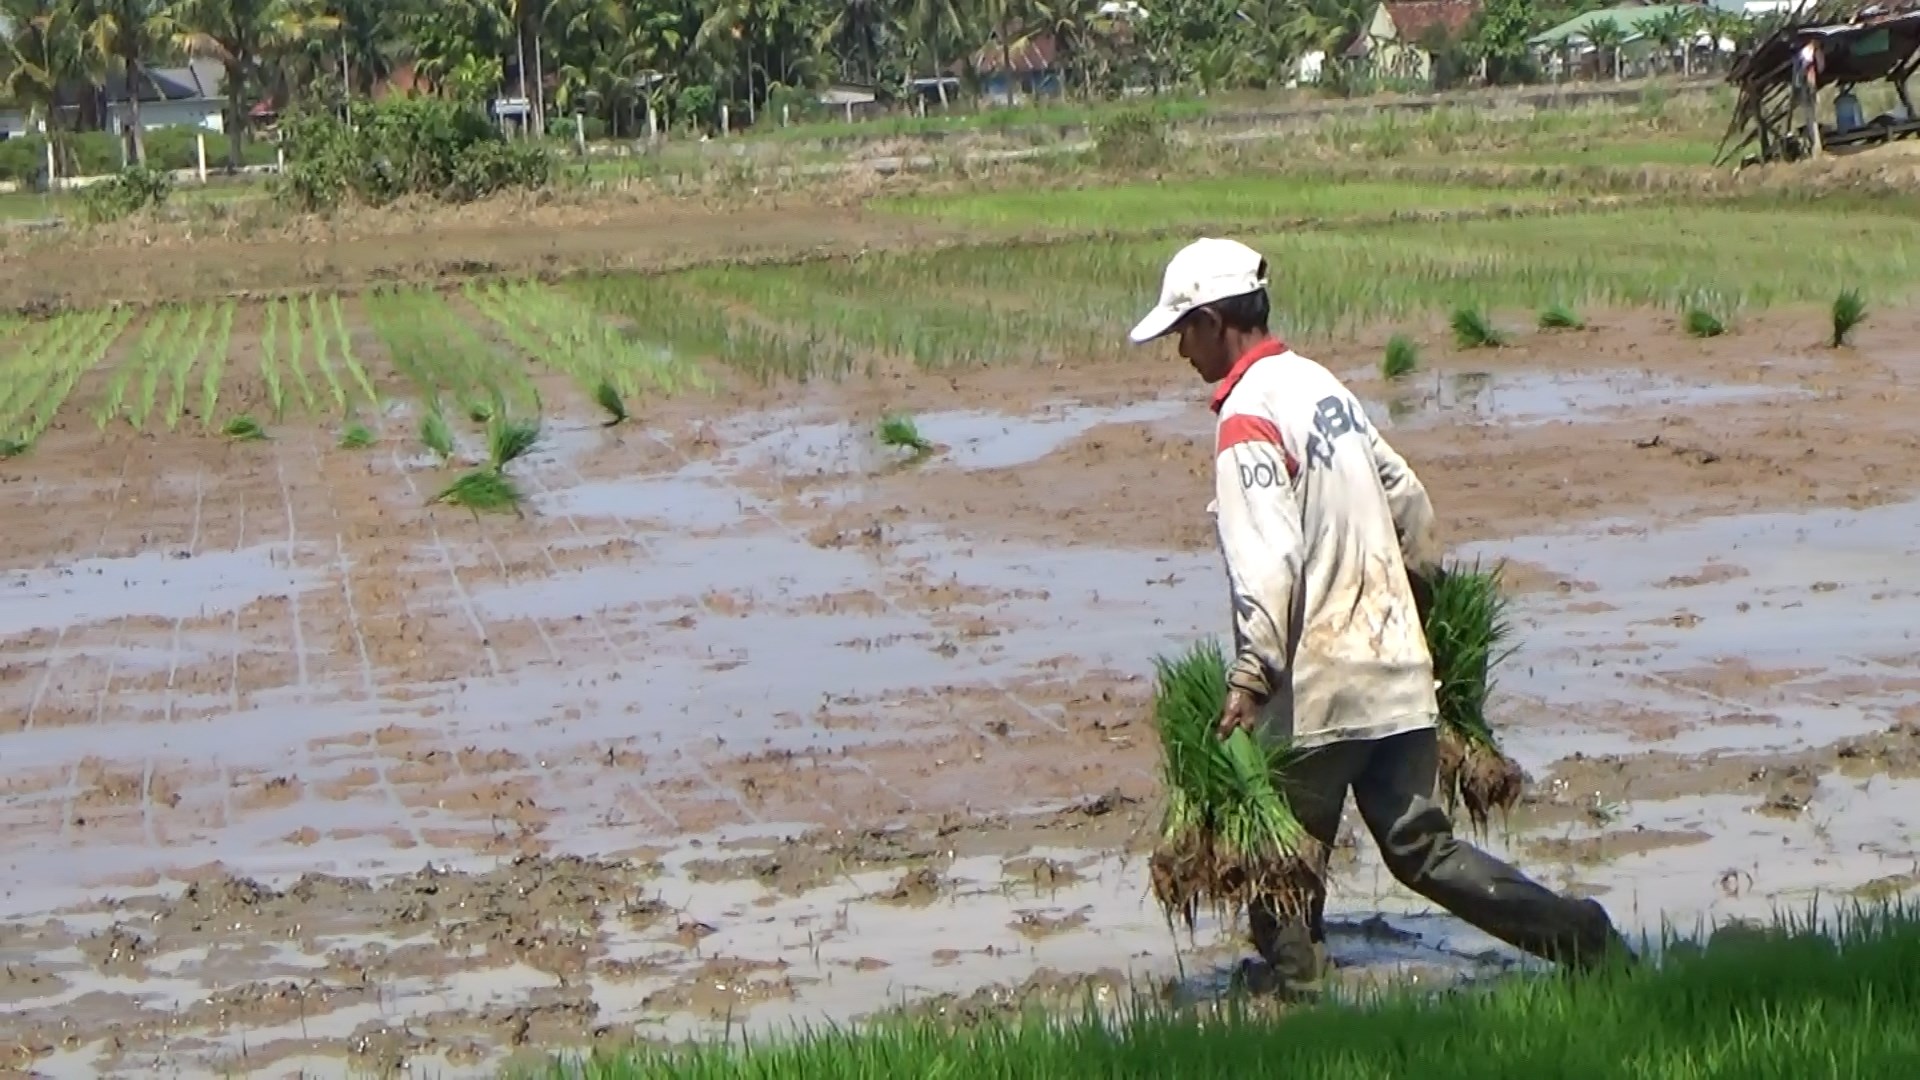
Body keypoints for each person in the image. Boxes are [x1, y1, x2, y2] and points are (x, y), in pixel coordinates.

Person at [1128, 237, 1635, 987]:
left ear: (1212, 320)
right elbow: (1411, 506)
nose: (1179, 352)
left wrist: (1251, 674)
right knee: (1421, 850)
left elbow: (1267, 560)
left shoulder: (1245, 418)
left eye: (1181, 332)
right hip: (1398, 672)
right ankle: (1580, 936)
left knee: (1280, 886)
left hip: (1323, 684)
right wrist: (1411, 618)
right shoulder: (1323, 388)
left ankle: (1303, 1013)